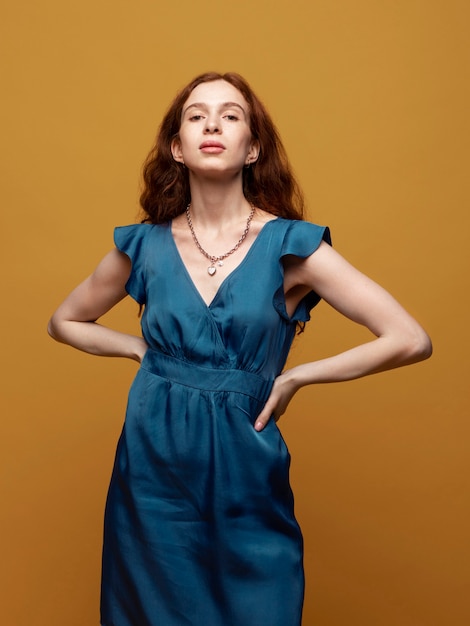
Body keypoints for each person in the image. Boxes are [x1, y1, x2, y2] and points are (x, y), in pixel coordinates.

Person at [48, 71, 432, 626]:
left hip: (243, 464)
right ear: (177, 147)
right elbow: (65, 321)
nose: (212, 123)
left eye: (231, 115)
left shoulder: (289, 244)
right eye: (196, 114)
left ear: (252, 148)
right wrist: (139, 351)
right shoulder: (145, 245)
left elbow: (410, 338)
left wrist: (297, 377)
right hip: (152, 469)